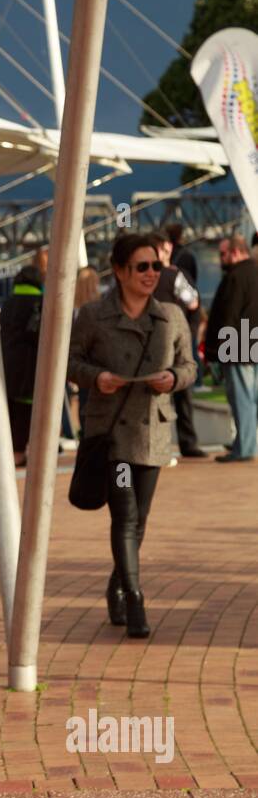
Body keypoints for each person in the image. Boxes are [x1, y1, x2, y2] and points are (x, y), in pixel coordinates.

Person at [68, 233, 196, 639]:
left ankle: (116, 583)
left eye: (156, 267)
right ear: (120, 271)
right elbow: (70, 362)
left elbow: (190, 366)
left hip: (154, 431)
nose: (151, 274)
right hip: (111, 432)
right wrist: (97, 378)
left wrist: (173, 378)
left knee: (139, 520)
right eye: (142, 267)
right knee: (124, 516)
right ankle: (136, 597)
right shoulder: (92, 315)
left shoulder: (171, 316)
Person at [204, 233, 258, 462]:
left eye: (224, 254)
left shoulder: (236, 277)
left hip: (237, 346)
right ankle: (245, 444)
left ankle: (244, 448)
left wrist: (217, 349)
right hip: (251, 343)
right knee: (251, 397)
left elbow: (229, 314)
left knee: (242, 399)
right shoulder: (254, 272)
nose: (221, 259)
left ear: (236, 252)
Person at [153, 231, 206, 458]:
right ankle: (187, 443)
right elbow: (193, 302)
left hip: (153, 340)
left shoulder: (141, 276)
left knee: (157, 392)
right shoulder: (174, 276)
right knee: (182, 392)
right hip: (174, 338)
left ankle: (160, 445)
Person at [0, 245, 47, 465]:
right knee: (31, 411)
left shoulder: (8, 303)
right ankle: (28, 453)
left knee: (12, 411)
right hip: (34, 366)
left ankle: (14, 453)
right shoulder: (42, 303)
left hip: (9, 365)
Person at [73, 266, 100, 434]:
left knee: (84, 402)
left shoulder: (73, 310)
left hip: (80, 362)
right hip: (96, 361)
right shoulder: (100, 309)